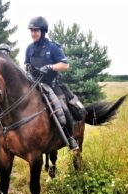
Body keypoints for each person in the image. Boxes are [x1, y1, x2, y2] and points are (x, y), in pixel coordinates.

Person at [25, 16, 86, 151]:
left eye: (36, 30)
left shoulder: (52, 47)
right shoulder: (29, 48)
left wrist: (50, 67)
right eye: (31, 30)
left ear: (43, 31)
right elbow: (26, 65)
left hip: (52, 85)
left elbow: (65, 65)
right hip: (34, 86)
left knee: (63, 109)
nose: (33, 33)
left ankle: (70, 138)